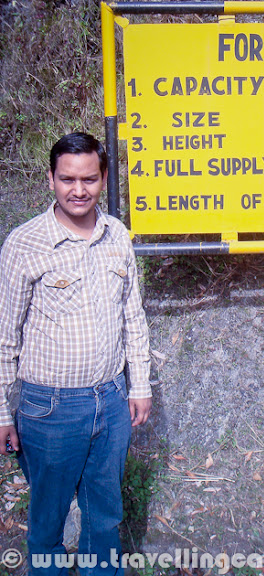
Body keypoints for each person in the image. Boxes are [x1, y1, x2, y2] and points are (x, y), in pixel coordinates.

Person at [0, 132, 152, 574]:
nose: (78, 190)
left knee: (104, 515)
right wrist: (3, 414)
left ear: (104, 178)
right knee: (47, 519)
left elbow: (133, 317)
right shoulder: (24, 244)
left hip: (111, 400)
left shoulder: (117, 236)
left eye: (89, 179)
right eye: (67, 179)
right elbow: (4, 338)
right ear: (51, 179)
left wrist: (138, 384)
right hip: (49, 409)